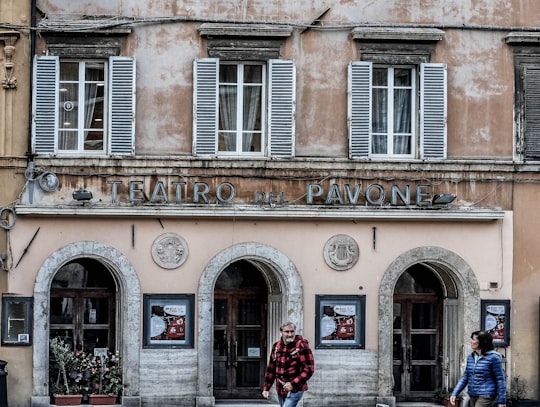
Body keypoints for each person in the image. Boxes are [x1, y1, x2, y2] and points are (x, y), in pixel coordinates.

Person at [262, 322, 315, 407]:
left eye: (292, 331)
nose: (290, 334)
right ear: (281, 333)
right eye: (287, 332)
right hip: (281, 388)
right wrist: (266, 388)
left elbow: (309, 369)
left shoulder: (301, 346)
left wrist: (292, 384)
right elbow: (271, 369)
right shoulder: (276, 346)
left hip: (296, 388)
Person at [450, 330, 506, 407]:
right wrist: (455, 393)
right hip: (473, 394)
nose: (470, 341)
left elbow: (500, 379)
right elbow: (465, 377)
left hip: (486, 395)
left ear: (482, 342)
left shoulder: (493, 357)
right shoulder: (471, 357)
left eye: (473, 339)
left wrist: (502, 401)